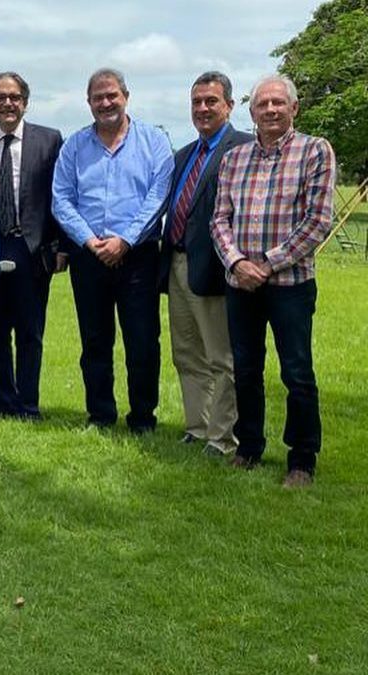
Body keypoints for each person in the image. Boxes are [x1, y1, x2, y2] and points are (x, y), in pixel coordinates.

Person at [211, 75, 336, 488]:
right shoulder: (235, 159)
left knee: (296, 372)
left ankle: (302, 459)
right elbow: (219, 220)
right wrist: (237, 262)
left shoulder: (315, 151)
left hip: (290, 285)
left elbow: (318, 221)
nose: (270, 110)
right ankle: (249, 447)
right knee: (246, 369)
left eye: (278, 103)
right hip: (240, 284)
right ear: (252, 112)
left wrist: (267, 264)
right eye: (262, 104)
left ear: (294, 108)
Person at [52, 68, 173, 432]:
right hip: (89, 256)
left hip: (138, 256)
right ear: (88, 102)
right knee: (94, 341)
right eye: (98, 98)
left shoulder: (154, 141)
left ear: (126, 97)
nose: (105, 103)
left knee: (143, 341)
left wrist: (125, 240)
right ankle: (101, 415)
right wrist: (90, 241)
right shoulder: (74, 146)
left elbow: (159, 195)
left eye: (112, 96)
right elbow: (61, 199)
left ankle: (142, 418)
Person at [157, 72, 252, 456]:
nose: (202, 108)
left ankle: (222, 437)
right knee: (186, 354)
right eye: (196, 102)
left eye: (211, 101)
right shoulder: (184, 155)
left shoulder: (242, 148)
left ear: (229, 105)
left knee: (220, 356)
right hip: (177, 264)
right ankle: (197, 427)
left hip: (215, 268)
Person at [0, 72, 64, 421]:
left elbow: (61, 194)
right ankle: (3, 400)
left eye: (14, 97)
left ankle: (28, 404)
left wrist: (61, 246)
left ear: (25, 101)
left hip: (31, 248)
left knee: (30, 332)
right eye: (0, 97)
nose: (7, 103)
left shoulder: (49, 140)